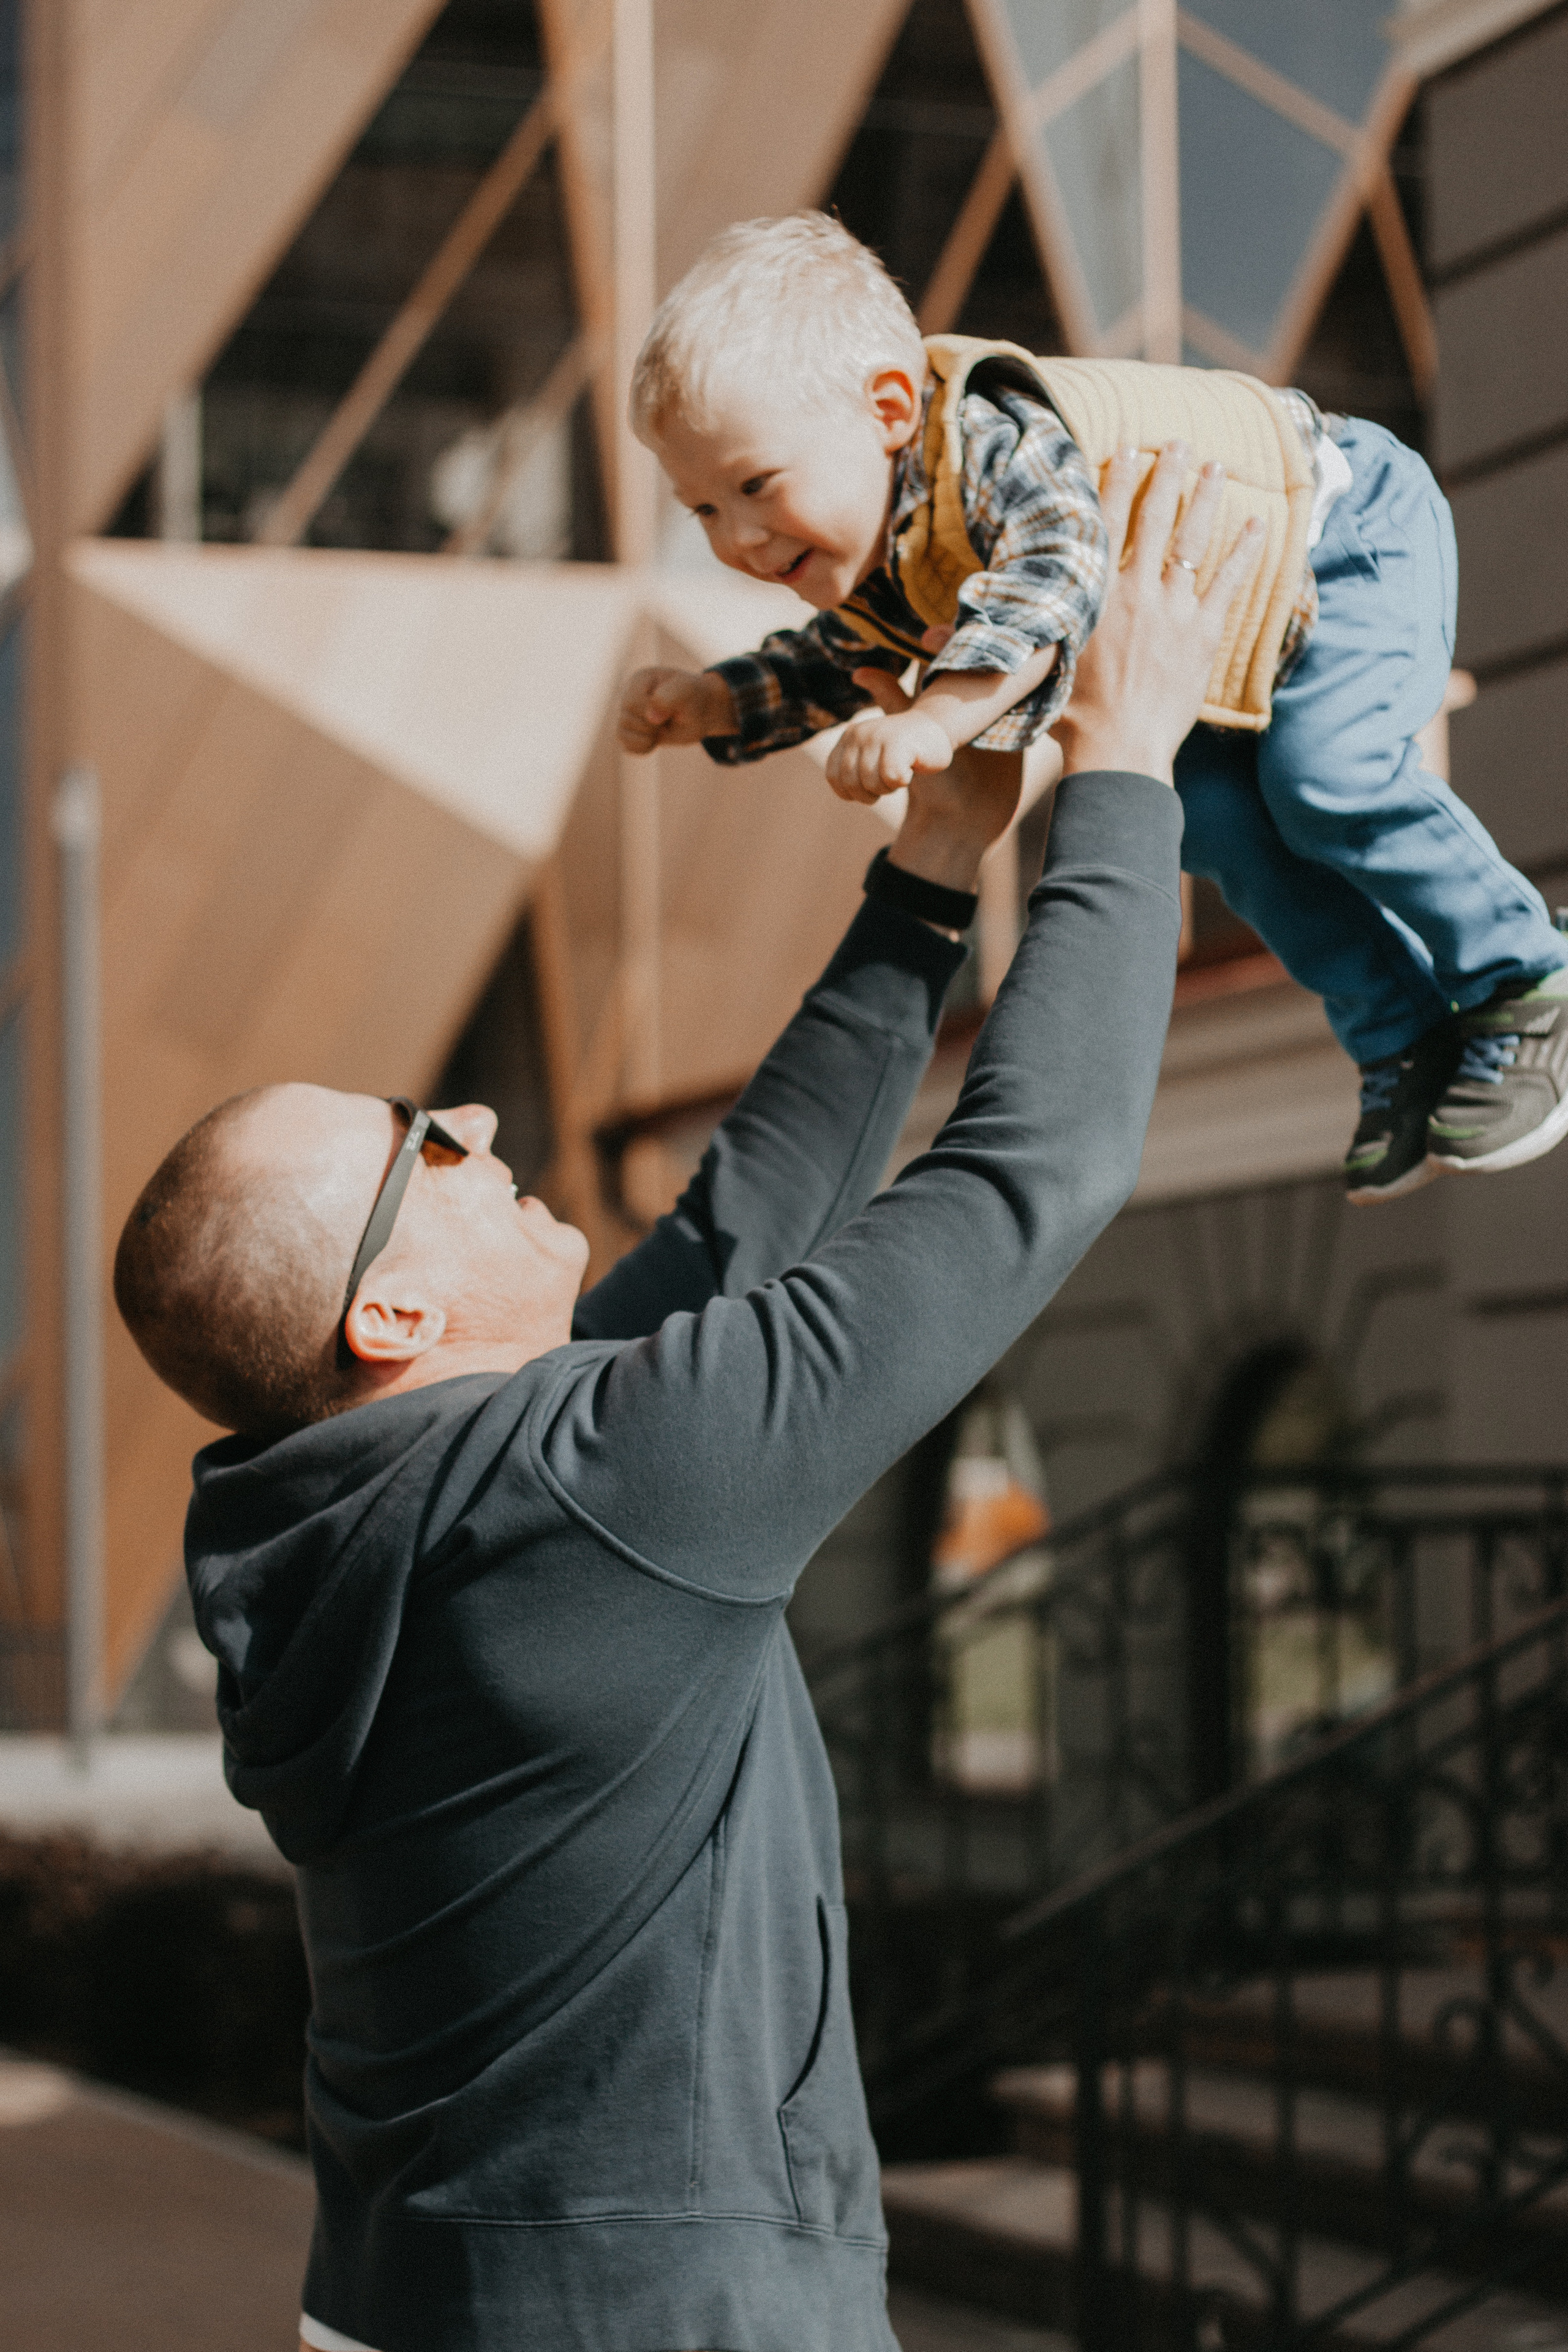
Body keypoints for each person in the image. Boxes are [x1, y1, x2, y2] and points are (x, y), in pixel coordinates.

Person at [113, 449, 1256, 2352]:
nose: (476, 1116)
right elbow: (1026, 1180)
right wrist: (1126, 772)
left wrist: (929, 874)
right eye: (423, 1146)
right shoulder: (590, 1482)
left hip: (406, 2297)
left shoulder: (356, 1505)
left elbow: (738, 1228)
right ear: (393, 1310)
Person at [617, 211, 1568, 1205]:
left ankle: (1525, 976)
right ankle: (1401, 1034)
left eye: (755, 485)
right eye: (704, 510)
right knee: (1218, 824)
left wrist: (937, 720)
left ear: (890, 409)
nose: (738, 538)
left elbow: (1051, 579)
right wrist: (719, 701)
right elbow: (835, 659)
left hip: (1342, 533)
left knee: (1328, 776)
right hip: (1238, 626)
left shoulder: (991, 441)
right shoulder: (884, 550)